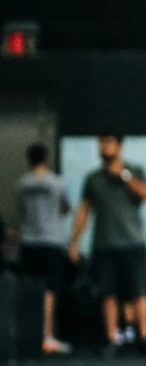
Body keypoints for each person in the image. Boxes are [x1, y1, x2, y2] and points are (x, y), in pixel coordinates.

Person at [68, 133, 146, 358]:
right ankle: (112, 339)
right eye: (101, 142)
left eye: (108, 142)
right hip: (105, 244)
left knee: (140, 292)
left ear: (119, 145)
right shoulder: (94, 178)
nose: (104, 146)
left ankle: (144, 339)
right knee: (108, 293)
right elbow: (84, 210)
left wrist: (124, 176)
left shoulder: (134, 171)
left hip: (133, 242)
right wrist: (74, 241)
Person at [15, 144, 73, 354]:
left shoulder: (22, 183)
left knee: (29, 290)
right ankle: (46, 337)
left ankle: (28, 337)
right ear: (47, 158)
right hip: (51, 242)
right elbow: (65, 208)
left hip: (29, 242)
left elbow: (21, 210)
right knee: (49, 291)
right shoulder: (56, 182)